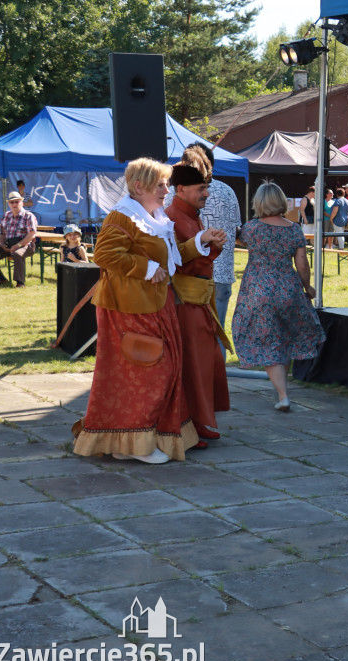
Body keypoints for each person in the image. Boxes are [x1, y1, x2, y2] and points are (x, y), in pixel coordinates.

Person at [72, 157, 215, 464]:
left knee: (160, 371)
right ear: (139, 187)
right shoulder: (122, 216)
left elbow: (171, 262)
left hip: (154, 304)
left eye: (166, 184)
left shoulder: (154, 215)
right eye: (161, 184)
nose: (167, 190)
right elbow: (105, 254)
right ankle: (130, 445)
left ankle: (138, 441)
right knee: (149, 373)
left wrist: (199, 242)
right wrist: (148, 268)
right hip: (128, 309)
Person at [232, 182, 325, 412]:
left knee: (268, 342)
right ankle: (283, 390)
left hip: (258, 290)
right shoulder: (293, 229)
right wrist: (308, 287)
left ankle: (283, 395)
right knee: (283, 338)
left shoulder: (252, 228)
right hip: (288, 289)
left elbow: (238, 239)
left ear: (259, 202)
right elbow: (302, 263)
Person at [165, 150, 231, 442]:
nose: (206, 193)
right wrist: (200, 242)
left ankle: (201, 425)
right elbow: (171, 262)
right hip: (184, 303)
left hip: (200, 301)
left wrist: (209, 243)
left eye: (206, 187)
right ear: (181, 189)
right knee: (193, 367)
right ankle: (191, 427)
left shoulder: (191, 215)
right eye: (201, 188)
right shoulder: (171, 216)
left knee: (205, 365)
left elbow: (199, 258)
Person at [186, 142, 242, 358]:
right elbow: (236, 229)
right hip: (222, 273)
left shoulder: (178, 192)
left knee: (191, 334)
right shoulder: (227, 191)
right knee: (217, 331)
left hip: (191, 273)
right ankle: (216, 379)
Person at [0, 191, 37, 287]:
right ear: (8, 204)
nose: (14, 204)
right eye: (12, 202)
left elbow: (32, 234)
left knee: (17, 254)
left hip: (26, 246)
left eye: (17, 201)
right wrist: (2, 244)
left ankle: (20, 282)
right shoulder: (7, 215)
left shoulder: (28, 216)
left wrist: (17, 245)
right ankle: (1, 278)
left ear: (22, 203)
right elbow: (2, 233)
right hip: (9, 245)